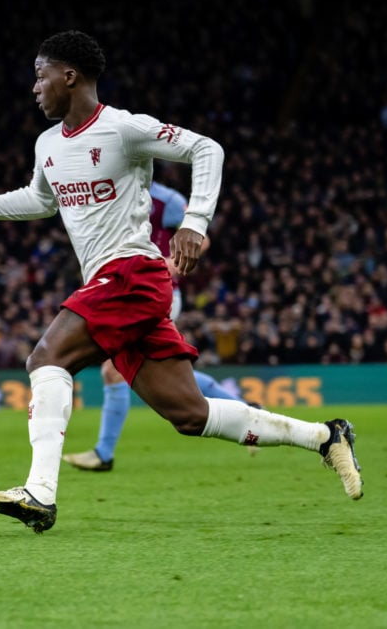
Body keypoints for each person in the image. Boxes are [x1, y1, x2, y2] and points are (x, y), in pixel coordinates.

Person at [0, 30, 363, 532]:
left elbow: (207, 150)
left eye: (40, 76)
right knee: (190, 415)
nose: (34, 88)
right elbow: (40, 201)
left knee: (45, 357)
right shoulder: (47, 145)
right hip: (115, 287)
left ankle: (40, 492)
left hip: (131, 273)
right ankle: (325, 436)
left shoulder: (123, 129)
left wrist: (194, 222)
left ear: (70, 76)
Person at [62, 181, 257, 472]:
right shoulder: (108, 187)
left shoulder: (166, 200)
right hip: (128, 292)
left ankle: (103, 454)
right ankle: (250, 414)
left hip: (155, 292)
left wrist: (171, 264)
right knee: (166, 372)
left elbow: (201, 238)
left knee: (114, 371)